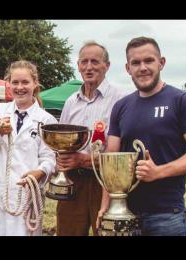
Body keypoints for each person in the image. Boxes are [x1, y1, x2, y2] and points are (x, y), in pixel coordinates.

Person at [97, 36, 186, 236]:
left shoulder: (181, 101)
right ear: (128, 68)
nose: (142, 67)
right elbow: (110, 161)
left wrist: (158, 172)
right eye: (136, 63)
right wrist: (105, 207)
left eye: (149, 60)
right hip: (125, 213)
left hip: (167, 215)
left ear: (161, 63)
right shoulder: (121, 107)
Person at [0, 60, 57, 236]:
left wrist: (40, 172)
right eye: (15, 82)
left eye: (25, 82)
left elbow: (50, 158)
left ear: (35, 83)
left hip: (25, 195)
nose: (20, 87)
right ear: (8, 84)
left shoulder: (46, 120)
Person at [56, 41, 126, 236]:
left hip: (106, 183)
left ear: (107, 66)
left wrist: (84, 159)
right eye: (84, 62)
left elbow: (122, 151)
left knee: (105, 232)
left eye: (95, 61)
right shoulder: (71, 101)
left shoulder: (121, 99)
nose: (88, 67)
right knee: (67, 231)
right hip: (73, 181)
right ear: (78, 65)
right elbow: (60, 141)